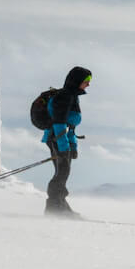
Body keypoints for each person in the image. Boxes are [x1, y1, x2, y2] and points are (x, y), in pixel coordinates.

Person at [41, 66, 92, 217]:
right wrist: (63, 148)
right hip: (56, 139)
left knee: (64, 172)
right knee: (62, 172)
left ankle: (60, 203)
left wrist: (73, 146)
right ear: (77, 80)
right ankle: (54, 206)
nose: (88, 84)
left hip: (61, 139)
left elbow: (71, 127)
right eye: (86, 80)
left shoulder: (72, 96)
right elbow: (59, 123)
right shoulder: (65, 96)